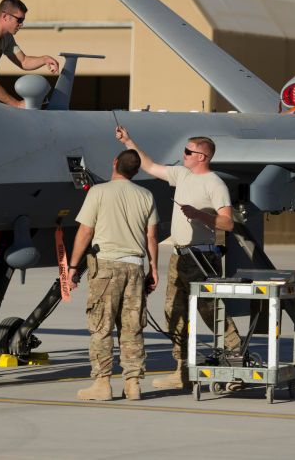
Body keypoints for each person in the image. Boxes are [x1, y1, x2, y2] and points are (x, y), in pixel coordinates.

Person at [116, 126, 242, 390]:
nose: (183, 155)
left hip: (202, 257)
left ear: (202, 157)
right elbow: (150, 166)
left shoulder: (215, 184)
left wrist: (200, 215)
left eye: (188, 151)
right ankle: (181, 369)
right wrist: (128, 141)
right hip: (179, 256)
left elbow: (228, 223)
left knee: (211, 311)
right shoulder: (181, 174)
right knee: (174, 313)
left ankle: (236, 367)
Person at [69, 149, 159, 401]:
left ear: (115, 163)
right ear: (136, 171)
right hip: (135, 267)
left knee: (101, 327)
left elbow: (85, 232)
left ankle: (102, 383)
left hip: (106, 268)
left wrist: (73, 267)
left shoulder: (98, 192)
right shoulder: (146, 195)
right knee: (132, 328)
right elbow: (151, 236)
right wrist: (153, 269)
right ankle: (133, 384)